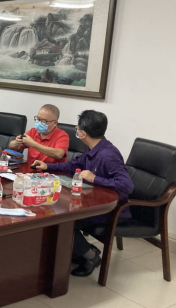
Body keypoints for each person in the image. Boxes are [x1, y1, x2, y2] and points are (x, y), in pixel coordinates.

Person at [32, 110, 134, 278]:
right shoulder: (92, 149)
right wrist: (47, 166)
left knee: (61, 220)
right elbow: (73, 165)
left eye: (77, 128)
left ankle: (91, 256)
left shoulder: (108, 154)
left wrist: (95, 178)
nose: (76, 131)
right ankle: (77, 251)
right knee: (51, 213)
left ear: (83, 133)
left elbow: (126, 186)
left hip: (111, 210)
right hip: (92, 200)